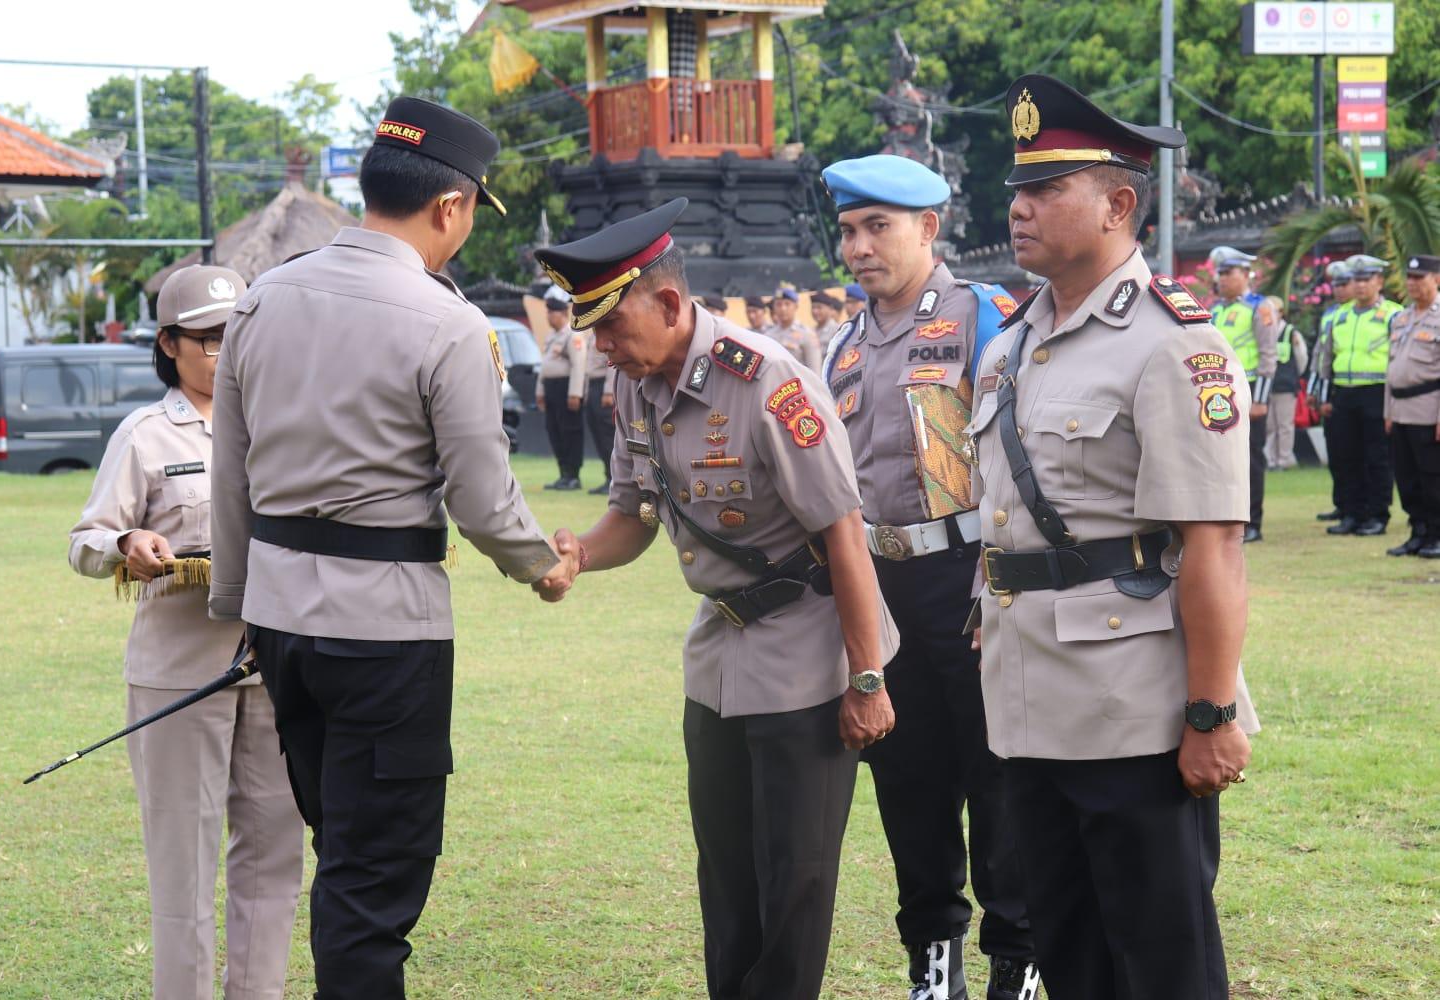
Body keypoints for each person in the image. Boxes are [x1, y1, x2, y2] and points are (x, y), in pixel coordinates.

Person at [209, 97, 575, 999]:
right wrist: (543, 566)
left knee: (344, 853)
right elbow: (485, 501)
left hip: (283, 624)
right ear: (451, 206)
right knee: (373, 887)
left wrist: (236, 601)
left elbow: (230, 472)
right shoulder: (444, 321)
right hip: (386, 638)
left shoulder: (262, 299)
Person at [540, 198, 900, 1000]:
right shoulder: (637, 385)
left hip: (810, 658)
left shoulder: (768, 382)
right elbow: (634, 513)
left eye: (609, 325)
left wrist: (867, 677)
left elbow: (844, 534)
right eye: (589, 328)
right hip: (720, 659)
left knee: (795, 881)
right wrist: (581, 555)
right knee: (727, 873)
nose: (599, 347)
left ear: (669, 304)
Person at [968, 74, 1260, 1000]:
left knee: (1161, 962)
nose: (1019, 208)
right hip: (1030, 701)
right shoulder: (1009, 346)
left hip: (1136, 709)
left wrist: (1210, 715)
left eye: (1047, 190)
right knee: (1072, 955)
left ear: (1119, 203)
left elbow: (1211, 546)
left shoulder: (1176, 347)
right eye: (1018, 189)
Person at [820, 153, 1036, 1000]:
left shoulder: (989, 319)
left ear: (928, 229)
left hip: (971, 581)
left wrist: (995, 583)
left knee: (999, 782)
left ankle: (1016, 962)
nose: (859, 247)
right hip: (883, 586)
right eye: (847, 230)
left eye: (878, 227)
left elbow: (1023, 468)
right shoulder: (844, 342)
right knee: (907, 780)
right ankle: (932, 964)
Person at [69, 264, 304, 1000]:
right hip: (180, 673)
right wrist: (126, 545)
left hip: (274, 665)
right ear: (170, 344)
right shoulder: (145, 434)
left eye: (240, 335)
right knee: (184, 866)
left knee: (273, 854)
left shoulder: (287, 422)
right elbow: (86, 539)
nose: (227, 352)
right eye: (208, 340)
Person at [1317, 253, 1400, 537]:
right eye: (1357, 280)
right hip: (1345, 393)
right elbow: (1326, 360)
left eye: (1367, 280)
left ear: (1379, 281)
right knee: (1346, 455)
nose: (1361, 286)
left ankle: (1377, 514)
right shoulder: (1339, 315)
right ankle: (1352, 513)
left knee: (1376, 457)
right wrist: (1326, 395)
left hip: (1377, 392)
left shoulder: (1392, 314)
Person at [1208, 247, 1278, 542]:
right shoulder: (1214, 309)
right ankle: (1227, 519)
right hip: (1217, 393)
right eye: (1220, 273)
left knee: (1250, 459)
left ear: (1245, 275)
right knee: (1219, 458)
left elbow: (1268, 355)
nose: (1222, 279)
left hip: (1248, 391)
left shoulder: (1260, 308)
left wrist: (1260, 399)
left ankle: (1253, 522)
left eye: (1229, 273)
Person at [1384, 254, 1440, 558]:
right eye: (1410, 277)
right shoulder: (1402, 319)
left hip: (1428, 408)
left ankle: (1436, 533)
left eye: (1420, 277)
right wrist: (1388, 412)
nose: (1413, 283)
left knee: (1433, 477)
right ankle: (1417, 531)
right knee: (1407, 477)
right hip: (1401, 409)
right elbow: (1391, 369)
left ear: (1437, 279)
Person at [1309, 260, 1356, 520]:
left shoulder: (1356, 313)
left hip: (1346, 389)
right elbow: (1319, 354)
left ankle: (1357, 506)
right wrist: (1315, 389)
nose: (1339, 289)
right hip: (1327, 388)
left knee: (1352, 453)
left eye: (1344, 283)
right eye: (1335, 284)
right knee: (1336, 452)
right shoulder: (1329, 314)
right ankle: (1342, 503)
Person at [538, 294, 589, 490]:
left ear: (562, 314)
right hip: (552, 389)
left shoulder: (572, 335)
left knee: (570, 432)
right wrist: (540, 391)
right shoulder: (551, 337)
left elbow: (578, 366)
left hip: (566, 388)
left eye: (551, 313)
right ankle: (563, 473)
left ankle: (573, 476)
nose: (548, 317)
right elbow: (545, 367)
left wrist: (575, 393)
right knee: (554, 431)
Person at [1258, 297, 1307, 471]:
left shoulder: (1291, 332)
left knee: (1285, 425)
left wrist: (1293, 376)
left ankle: (1283, 460)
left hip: (1285, 386)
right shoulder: (1262, 330)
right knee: (1270, 425)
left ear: (1281, 313)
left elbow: (1301, 358)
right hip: (1267, 386)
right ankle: (1270, 460)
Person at [584, 325, 616, 495]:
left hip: (603, 386)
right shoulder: (592, 336)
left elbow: (612, 363)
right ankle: (608, 477)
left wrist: (609, 391)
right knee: (597, 433)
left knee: (607, 435)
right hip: (593, 386)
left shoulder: (607, 334)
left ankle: (614, 478)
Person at [769, 286, 823, 370]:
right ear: (774, 308)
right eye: (779, 304)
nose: (783, 308)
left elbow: (815, 370)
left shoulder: (807, 334)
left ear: (796, 306)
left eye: (787, 304)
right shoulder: (769, 335)